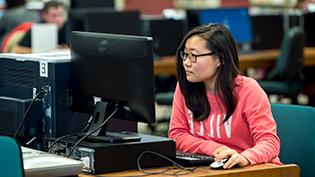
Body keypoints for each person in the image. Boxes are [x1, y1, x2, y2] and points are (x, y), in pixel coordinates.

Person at [168, 23, 281, 169]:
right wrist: (215, 149)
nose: (186, 63)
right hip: (209, 167)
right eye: (185, 54)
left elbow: (269, 142)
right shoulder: (185, 87)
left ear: (220, 59)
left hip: (251, 168)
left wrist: (246, 157)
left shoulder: (248, 90)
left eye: (194, 56)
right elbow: (177, 135)